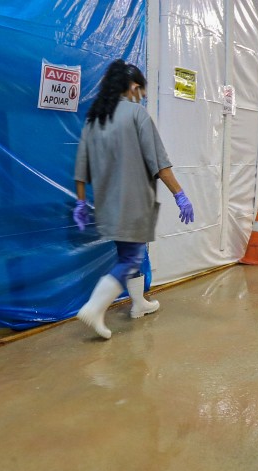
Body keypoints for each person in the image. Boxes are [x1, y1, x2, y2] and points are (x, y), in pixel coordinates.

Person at [72, 60, 194, 339]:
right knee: (133, 256)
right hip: (134, 203)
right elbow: (160, 163)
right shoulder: (137, 114)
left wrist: (80, 203)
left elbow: (81, 167)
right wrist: (180, 195)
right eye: (140, 90)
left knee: (127, 254)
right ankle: (94, 307)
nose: (141, 95)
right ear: (134, 87)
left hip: (106, 205)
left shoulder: (94, 119)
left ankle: (139, 304)